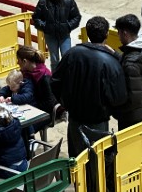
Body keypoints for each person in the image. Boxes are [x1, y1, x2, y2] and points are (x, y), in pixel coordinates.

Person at [51, 16, 126, 159]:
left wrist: (66, 103)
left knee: (76, 158)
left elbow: (55, 81)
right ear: (107, 34)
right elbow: (118, 97)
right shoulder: (111, 62)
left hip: (75, 118)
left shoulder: (72, 53)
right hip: (98, 121)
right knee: (96, 160)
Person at [113, 14, 142, 130]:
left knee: (128, 141)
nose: (118, 35)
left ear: (125, 33)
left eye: (118, 32)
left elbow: (133, 98)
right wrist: (115, 54)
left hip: (131, 115)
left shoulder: (131, 64)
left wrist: (116, 109)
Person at [32, 0, 81, 68]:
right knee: (54, 60)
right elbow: (36, 18)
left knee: (66, 58)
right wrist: (45, 27)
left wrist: (68, 26)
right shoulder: (43, 2)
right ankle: (55, 76)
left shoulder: (68, 0)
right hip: (50, 36)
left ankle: (66, 76)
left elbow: (76, 17)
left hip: (64, 35)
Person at [15, 45, 59, 120]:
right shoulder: (26, 73)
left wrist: (30, 106)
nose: (17, 63)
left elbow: (49, 103)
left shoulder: (45, 77)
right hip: (30, 107)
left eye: (18, 60)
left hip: (44, 113)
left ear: (24, 61)